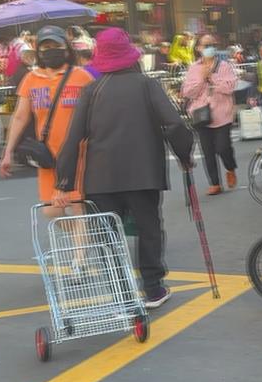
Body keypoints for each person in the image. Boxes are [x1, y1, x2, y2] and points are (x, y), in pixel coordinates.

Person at [53, 28, 194, 309]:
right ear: (130, 55)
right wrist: (184, 155)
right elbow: (175, 124)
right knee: (148, 229)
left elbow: (73, 138)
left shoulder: (91, 91)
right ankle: (153, 289)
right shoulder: (146, 85)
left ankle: (121, 291)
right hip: (144, 174)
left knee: (108, 234)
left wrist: (64, 182)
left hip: (101, 177)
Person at [0, 26, 95, 213]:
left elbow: (97, 113)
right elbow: (20, 117)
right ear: (38, 52)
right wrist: (8, 151)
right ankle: (80, 240)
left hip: (79, 155)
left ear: (66, 49)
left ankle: (81, 242)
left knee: (78, 209)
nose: (50, 50)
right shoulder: (31, 79)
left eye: (55, 45)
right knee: (51, 211)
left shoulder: (81, 77)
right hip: (48, 157)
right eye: (45, 47)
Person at [182, 33, 238, 196]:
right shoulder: (194, 68)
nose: (209, 48)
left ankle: (230, 167)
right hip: (201, 114)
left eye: (212, 44)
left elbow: (230, 87)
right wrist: (201, 79)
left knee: (223, 147)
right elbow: (188, 92)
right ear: (198, 48)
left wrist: (212, 78)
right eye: (206, 46)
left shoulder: (224, 66)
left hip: (222, 113)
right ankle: (214, 183)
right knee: (207, 150)